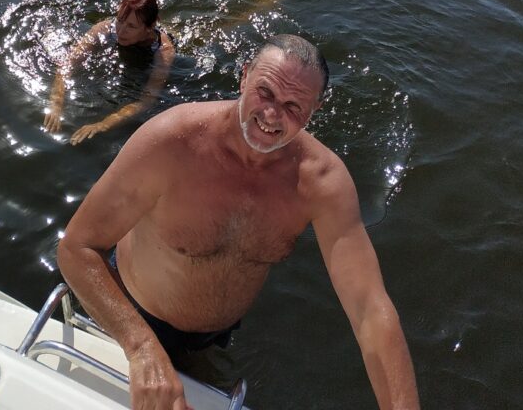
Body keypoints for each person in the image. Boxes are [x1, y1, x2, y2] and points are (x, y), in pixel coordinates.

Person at [57, 35, 419, 410]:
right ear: (244, 77)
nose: (272, 115)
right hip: (128, 316)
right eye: (266, 92)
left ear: (316, 110)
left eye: (294, 106)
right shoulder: (171, 143)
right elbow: (76, 247)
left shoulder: (322, 182)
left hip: (212, 336)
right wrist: (141, 347)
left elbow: (369, 310)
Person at [44, 0, 175, 145]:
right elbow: (67, 64)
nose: (120, 30)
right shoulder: (104, 29)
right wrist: (56, 103)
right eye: (120, 20)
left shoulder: (164, 52)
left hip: (147, 55)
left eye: (131, 26)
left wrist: (103, 124)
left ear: (149, 27)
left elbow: (146, 101)